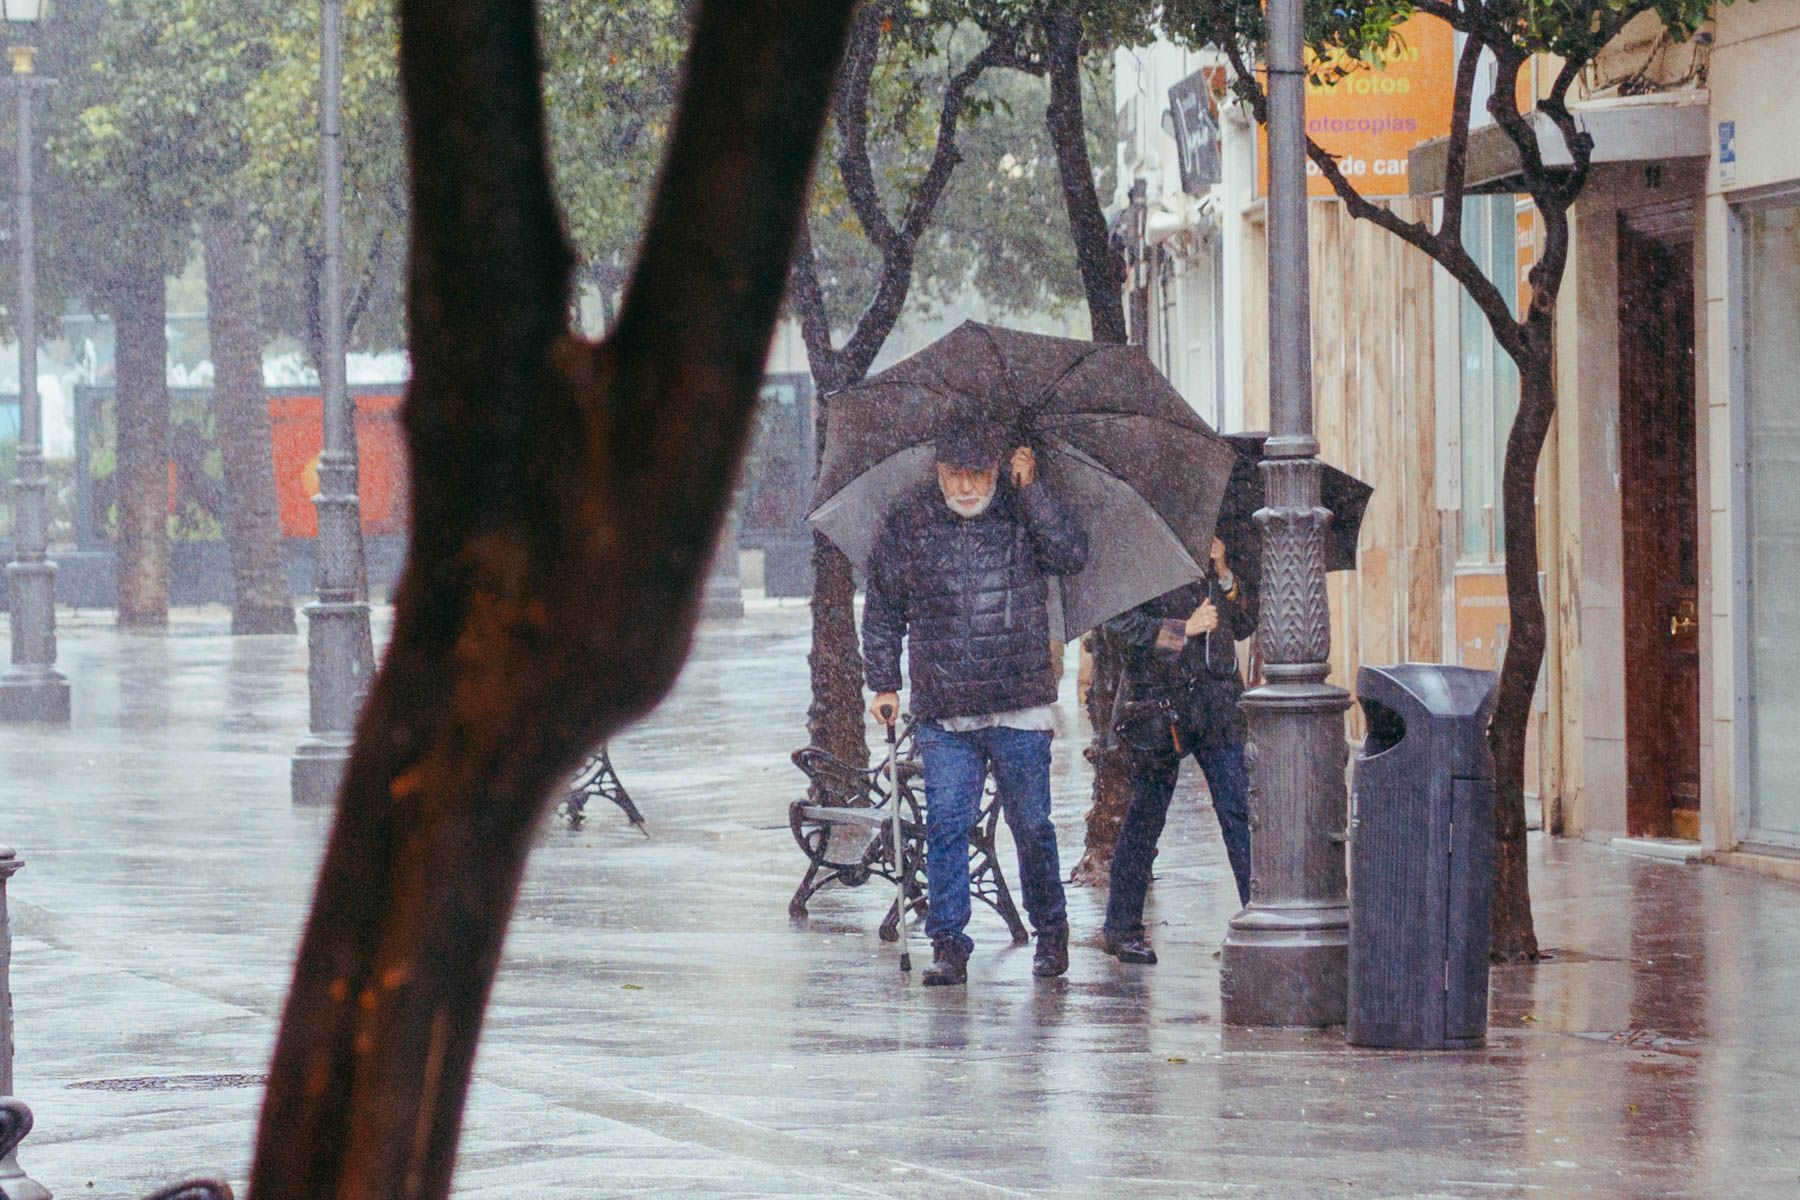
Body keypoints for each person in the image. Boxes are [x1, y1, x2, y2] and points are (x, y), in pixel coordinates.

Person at [862, 420, 1090, 986]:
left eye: (979, 475)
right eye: (954, 475)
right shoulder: (909, 521)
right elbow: (884, 606)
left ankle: (1052, 930)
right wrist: (883, 682)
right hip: (946, 710)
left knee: (1032, 826)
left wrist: (1032, 487)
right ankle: (948, 942)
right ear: (938, 472)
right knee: (946, 824)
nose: (966, 488)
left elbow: (1070, 553)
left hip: (1019, 704)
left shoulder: (1022, 509)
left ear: (997, 469)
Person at [1101, 536, 1256, 965]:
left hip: (1218, 701)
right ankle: (1121, 927)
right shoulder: (1138, 551)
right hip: (1160, 704)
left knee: (1238, 810)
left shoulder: (1217, 548)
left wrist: (1224, 574)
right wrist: (1180, 630)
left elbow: (1244, 623)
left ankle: (1260, 917)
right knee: (1146, 814)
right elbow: (1117, 627)